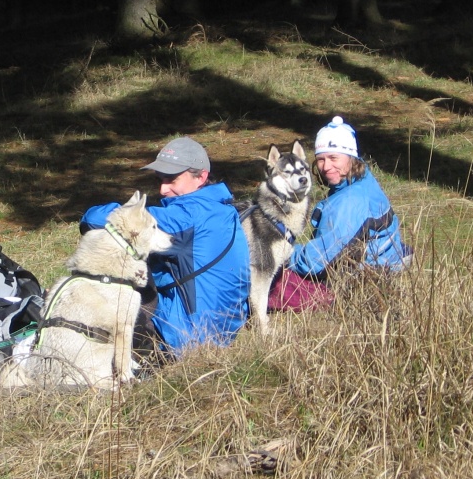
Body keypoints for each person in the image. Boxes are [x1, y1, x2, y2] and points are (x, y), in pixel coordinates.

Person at [81, 137, 250, 357]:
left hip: (187, 341)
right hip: (224, 331)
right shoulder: (219, 209)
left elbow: (92, 219)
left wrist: (128, 214)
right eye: (159, 179)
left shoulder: (186, 217)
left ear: (201, 176)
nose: (162, 189)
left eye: (172, 179)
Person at [269, 116, 412, 312]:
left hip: (366, 280)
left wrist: (283, 254)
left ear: (351, 157)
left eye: (333, 158)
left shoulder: (351, 201)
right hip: (380, 264)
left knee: (270, 278)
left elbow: (314, 261)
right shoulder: (360, 180)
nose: (326, 167)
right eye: (321, 159)